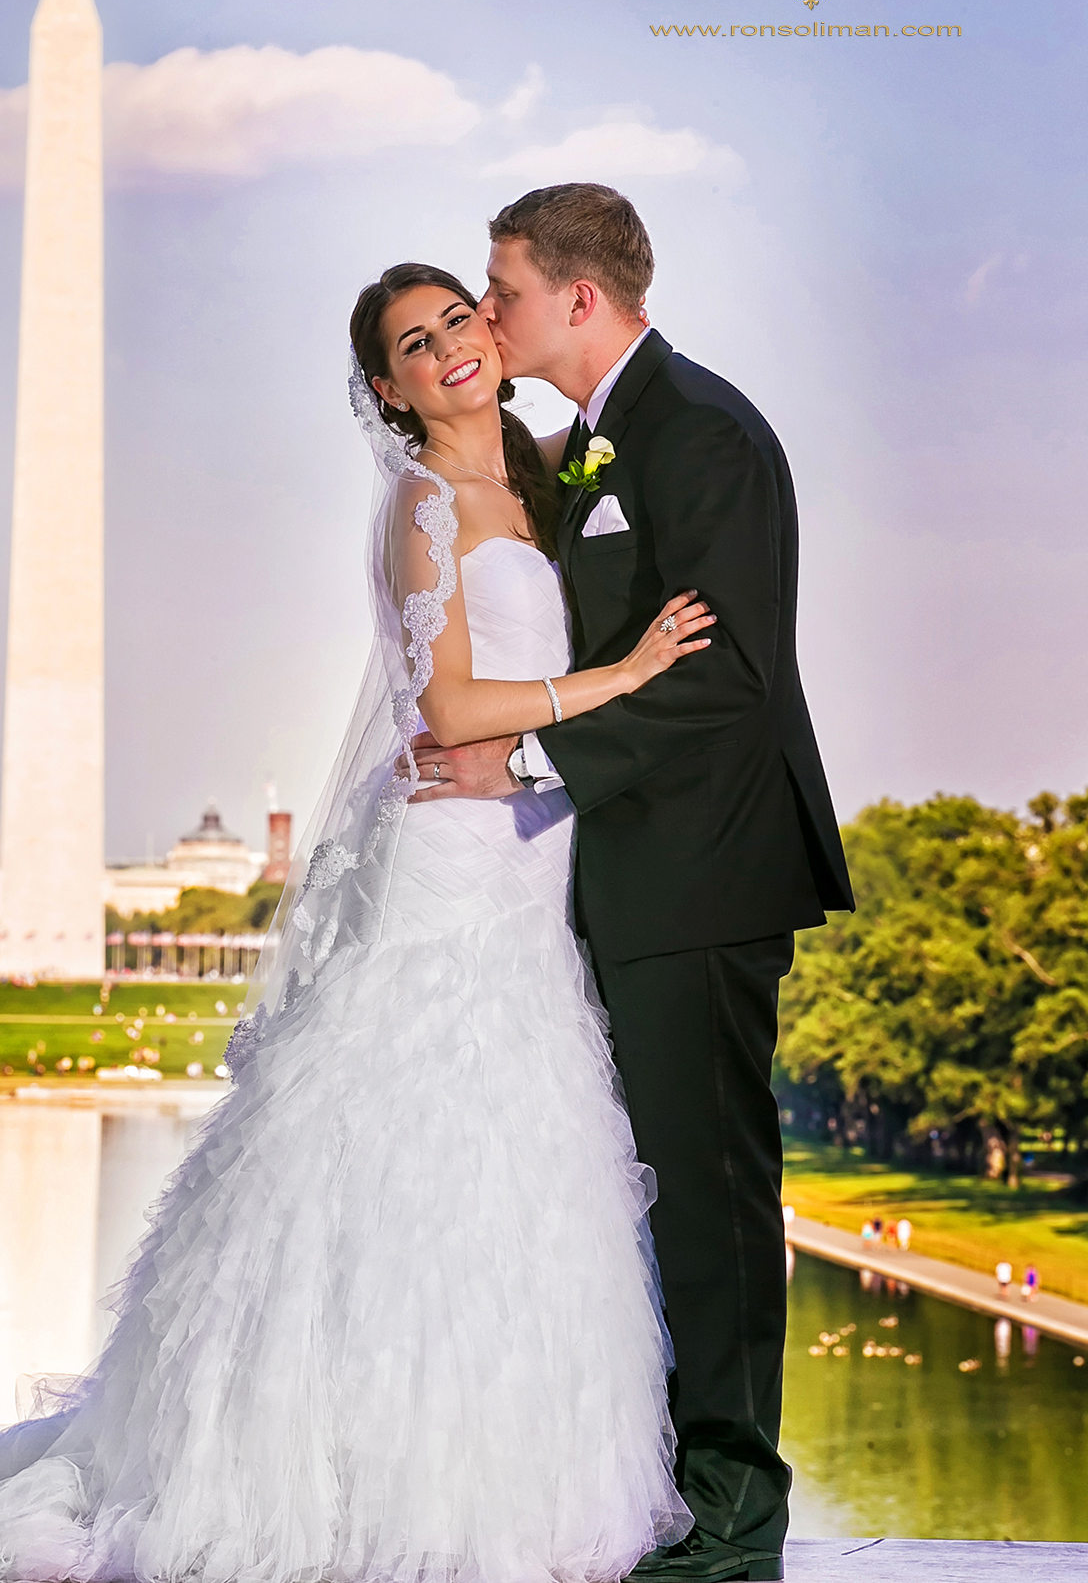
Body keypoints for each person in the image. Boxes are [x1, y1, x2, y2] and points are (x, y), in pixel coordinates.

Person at [0, 262, 702, 1583]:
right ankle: (346, 1474)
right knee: (396, 1165)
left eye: (460, 317)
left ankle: (484, 1471)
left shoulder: (548, 475)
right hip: (447, 869)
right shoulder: (421, 505)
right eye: (416, 342)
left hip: (523, 873)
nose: (450, 347)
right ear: (388, 391)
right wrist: (619, 676)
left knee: (510, 1176)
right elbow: (448, 712)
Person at [413, 184, 853, 1582]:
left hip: (704, 877)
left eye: (505, 291)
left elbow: (729, 681)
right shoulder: (595, 445)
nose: (489, 316)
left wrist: (534, 754)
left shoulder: (704, 434)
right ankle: (659, 1489)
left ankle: (734, 1514)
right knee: (645, 1196)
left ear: (579, 300)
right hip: (620, 876)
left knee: (715, 1192)